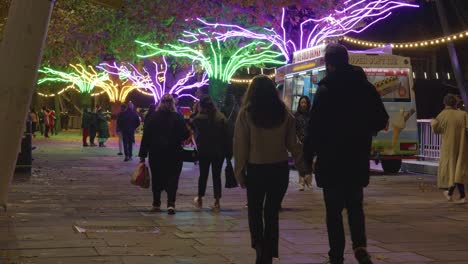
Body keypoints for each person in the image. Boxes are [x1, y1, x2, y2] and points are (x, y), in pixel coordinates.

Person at [303, 43, 389, 264]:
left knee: (333, 211)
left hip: (331, 159)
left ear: (329, 63)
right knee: (354, 206)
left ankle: (336, 255)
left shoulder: (325, 89)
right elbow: (381, 119)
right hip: (356, 157)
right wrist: (365, 131)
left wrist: (307, 157)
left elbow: (314, 127)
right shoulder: (365, 88)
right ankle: (360, 246)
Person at [234, 75, 305, 264]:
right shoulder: (284, 113)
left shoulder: (246, 113)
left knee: (255, 210)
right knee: (272, 212)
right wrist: (303, 166)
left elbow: (241, 145)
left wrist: (239, 171)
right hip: (279, 168)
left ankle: (259, 245)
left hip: (256, 168)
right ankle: (269, 252)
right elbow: (293, 144)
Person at [139, 94, 190, 215]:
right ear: (173, 104)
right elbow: (185, 135)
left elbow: (146, 136)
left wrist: (143, 154)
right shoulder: (177, 117)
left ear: (160, 103)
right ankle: (171, 204)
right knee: (173, 178)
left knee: (157, 178)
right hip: (174, 153)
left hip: (156, 153)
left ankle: (156, 203)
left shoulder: (153, 117)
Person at [192, 95, 230, 211]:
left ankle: (199, 198)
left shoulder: (198, 119)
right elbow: (226, 135)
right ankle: (217, 201)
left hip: (204, 151)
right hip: (218, 152)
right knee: (216, 176)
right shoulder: (221, 117)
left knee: (203, 175)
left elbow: (196, 133)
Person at [431, 94, 468, 204]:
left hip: (449, 147)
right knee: (459, 170)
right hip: (462, 146)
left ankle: (458, 195)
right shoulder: (463, 114)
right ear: (456, 103)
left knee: (452, 170)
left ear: (445, 103)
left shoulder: (443, 114)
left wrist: (432, 122)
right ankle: (454, 194)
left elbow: (436, 129)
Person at [295, 96, 313, 191]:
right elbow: (294, 129)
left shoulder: (311, 115)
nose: (303, 104)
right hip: (299, 142)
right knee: (301, 162)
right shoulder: (296, 115)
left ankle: (309, 182)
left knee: (309, 161)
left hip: (309, 142)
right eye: (302, 102)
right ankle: (301, 182)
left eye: (305, 102)